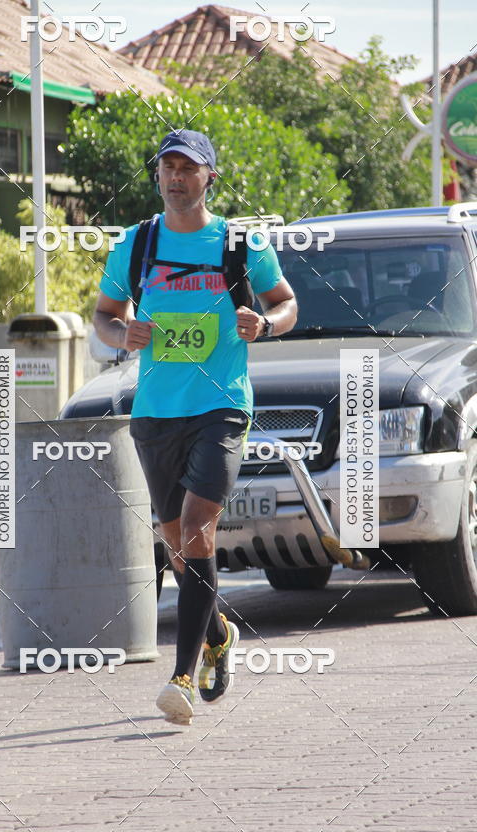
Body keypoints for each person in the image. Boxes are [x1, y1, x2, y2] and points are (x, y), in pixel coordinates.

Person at [93, 129, 297, 725]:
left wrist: (266, 322)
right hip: (156, 412)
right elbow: (104, 317)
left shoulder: (240, 241)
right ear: (157, 176)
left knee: (199, 530)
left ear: (210, 177)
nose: (176, 177)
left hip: (222, 407)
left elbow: (287, 303)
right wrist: (119, 335)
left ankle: (181, 677)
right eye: (168, 168)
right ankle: (219, 633)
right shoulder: (136, 244)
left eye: (189, 168)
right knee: (178, 545)